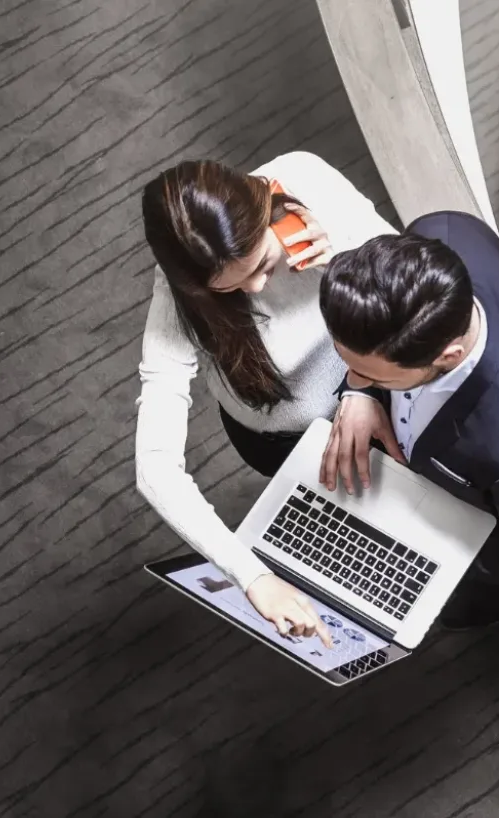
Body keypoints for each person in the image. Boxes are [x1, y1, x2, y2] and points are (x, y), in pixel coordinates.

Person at [135, 152, 401, 649]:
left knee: (418, 500)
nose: (256, 288)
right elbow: (154, 466)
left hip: (377, 385)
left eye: (259, 264)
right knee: (352, 516)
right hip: (278, 439)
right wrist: (251, 577)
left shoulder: (305, 178)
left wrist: (347, 257)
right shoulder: (179, 296)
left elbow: (416, 282)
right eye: (230, 288)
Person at [318, 210, 499, 672]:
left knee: (493, 601)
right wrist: (361, 394)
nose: (350, 377)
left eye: (369, 374)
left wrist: (433, 564)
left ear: (448, 356)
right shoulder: (441, 231)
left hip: (489, 543)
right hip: (443, 488)